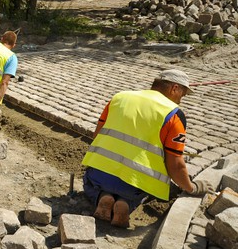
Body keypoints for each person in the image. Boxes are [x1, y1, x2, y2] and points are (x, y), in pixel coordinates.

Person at [81, 69, 215, 228]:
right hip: (134, 185)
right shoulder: (174, 114)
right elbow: (176, 164)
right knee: (139, 195)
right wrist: (192, 187)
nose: (180, 101)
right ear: (174, 88)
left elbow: (98, 135)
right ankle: (126, 204)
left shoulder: (119, 98)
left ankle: (102, 196)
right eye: (182, 95)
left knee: (89, 183)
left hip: (99, 175)